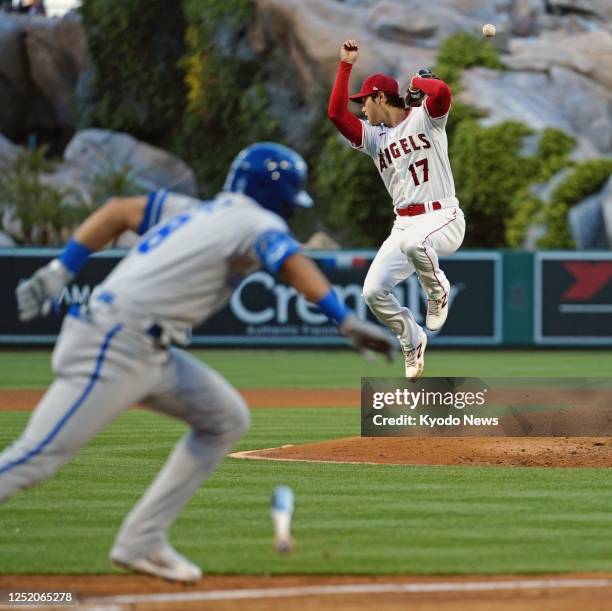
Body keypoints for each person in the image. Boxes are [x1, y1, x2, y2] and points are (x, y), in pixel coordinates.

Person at [0, 142, 395, 582]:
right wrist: (343, 319)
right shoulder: (254, 220)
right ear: (278, 196)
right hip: (113, 343)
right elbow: (288, 262)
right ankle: (140, 541)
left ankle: (142, 541)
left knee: (224, 419)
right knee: (35, 457)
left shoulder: (189, 209)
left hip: (148, 349)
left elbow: (117, 211)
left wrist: (61, 269)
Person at [328, 39, 466, 380]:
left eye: (365, 101)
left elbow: (443, 92)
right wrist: (345, 65)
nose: (362, 109)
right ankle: (412, 338)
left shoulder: (426, 119)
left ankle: (438, 293)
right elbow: (335, 114)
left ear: (379, 96)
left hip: (443, 217)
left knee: (414, 243)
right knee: (373, 291)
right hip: (404, 225)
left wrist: (418, 83)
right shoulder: (376, 139)